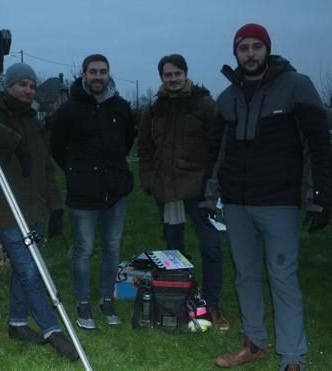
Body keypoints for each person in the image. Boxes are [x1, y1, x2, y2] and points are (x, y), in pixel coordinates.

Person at [203, 24, 332, 371]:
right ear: (236, 53)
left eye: (256, 47)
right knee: (245, 276)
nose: (250, 54)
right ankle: (254, 343)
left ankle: (293, 357)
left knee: (283, 278)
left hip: (278, 203)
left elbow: (317, 146)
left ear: (267, 49)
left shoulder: (296, 86)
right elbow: (216, 152)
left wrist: (319, 196)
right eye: (243, 47)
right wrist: (208, 196)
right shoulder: (227, 97)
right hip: (237, 205)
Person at [0, 63, 78, 362]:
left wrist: (56, 207)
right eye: (22, 83)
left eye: (32, 85)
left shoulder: (33, 120)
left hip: (32, 208)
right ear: (9, 85)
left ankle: (17, 323)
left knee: (25, 269)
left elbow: (46, 167)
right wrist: (16, 142)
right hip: (7, 208)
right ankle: (51, 330)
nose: (28, 90)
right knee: (30, 271)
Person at [137, 54, 229, 330]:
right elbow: (143, 148)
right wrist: (149, 180)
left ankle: (211, 304)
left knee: (211, 246)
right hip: (167, 194)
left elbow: (220, 146)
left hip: (201, 192)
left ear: (186, 74)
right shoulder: (153, 110)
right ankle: (182, 297)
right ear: (162, 77)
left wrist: (213, 183)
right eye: (168, 74)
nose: (173, 79)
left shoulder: (205, 104)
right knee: (174, 250)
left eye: (178, 73)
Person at [51, 54, 134, 329]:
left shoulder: (121, 107)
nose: (98, 76)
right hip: (83, 194)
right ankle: (83, 302)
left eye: (103, 71)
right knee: (84, 249)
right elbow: (57, 148)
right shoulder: (69, 110)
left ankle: (106, 299)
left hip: (115, 192)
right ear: (84, 74)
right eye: (93, 72)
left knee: (112, 248)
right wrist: (77, 171)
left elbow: (127, 141)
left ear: (109, 74)